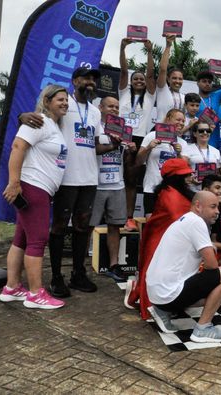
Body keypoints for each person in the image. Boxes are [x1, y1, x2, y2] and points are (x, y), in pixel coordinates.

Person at [20, 67, 117, 298]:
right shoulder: (64, 104)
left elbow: (94, 144)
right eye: (86, 78)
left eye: (94, 79)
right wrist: (21, 117)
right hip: (65, 177)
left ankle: (78, 273)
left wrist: (115, 144)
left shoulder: (94, 112)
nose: (91, 82)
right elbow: (40, 118)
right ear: (75, 81)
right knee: (60, 227)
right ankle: (55, 277)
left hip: (89, 178)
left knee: (83, 227)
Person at [0, 85, 69, 309]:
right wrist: (14, 182)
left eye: (66, 100)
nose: (65, 103)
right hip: (33, 187)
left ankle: (11, 287)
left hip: (41, 189)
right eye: (60, 99)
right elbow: (18, 146)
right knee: (38, 240)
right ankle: (35, 294)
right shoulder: (39, 121)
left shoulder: (54, 126)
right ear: (47, 101)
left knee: (21, 239)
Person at [146, 191, 221, 342]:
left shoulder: (186, 219)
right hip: (168, 294)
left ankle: (162, 311)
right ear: (198, 206)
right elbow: (212, 266)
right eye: (213, 207)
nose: (217, 211)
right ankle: (203, 328)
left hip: (157, 294)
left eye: (218, 207)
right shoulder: (196, 222)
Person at [125, 158, 194, 319]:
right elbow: (180, 217)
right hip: (158, 241)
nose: (190, 177)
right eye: (186, 175)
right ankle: (148, 302)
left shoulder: (178, 191)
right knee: (153, 274)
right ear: (176, 178)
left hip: (170, 240)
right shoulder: (170, 195)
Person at [90, 96, 137, 282]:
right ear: (100, 107)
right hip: (96, 184)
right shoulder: (95, 126)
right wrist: (112, 145)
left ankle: (114, 265)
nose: (114, 109)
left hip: (118, 184)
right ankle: (80, 267)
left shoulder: (124, 130)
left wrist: (131, 150)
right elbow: (92, 149)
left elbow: (126, 161)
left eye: (117, 107)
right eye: (110, 106)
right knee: (88, 226)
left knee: (114, 226)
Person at [119, 38, 156, 232]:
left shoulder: (149, 96)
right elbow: (124, 71)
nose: (139, 81)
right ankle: (122, 216)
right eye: (136, 79)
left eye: (141, 79)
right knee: (122, 179)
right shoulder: (124, 92)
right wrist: (123, 48)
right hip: (122, 138)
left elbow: (151, 75)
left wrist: (149, 51)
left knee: (136, 180)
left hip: (140, 139)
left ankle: (133, 217)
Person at [136, 108, 191, 216]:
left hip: (173, 190)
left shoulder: (183, 143)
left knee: (171, 224)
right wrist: (148, 148)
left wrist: (178, 153)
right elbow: (138, 161)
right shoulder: (152, 136)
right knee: (151, 223)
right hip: (152, 188)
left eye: (183, 121)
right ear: (168, 119)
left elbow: (185, 168)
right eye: (178, 120)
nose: (181, 123)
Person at [194, 69, 221, 149]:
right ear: (198, 83)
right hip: (199, 138)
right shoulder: (194, 98)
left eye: (209, 82)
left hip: (215, 140)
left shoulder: (216, 95)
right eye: (204, 81)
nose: (207, 84)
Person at [155, 35, 185, 122]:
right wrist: (168, 46)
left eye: (180, 79)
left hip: (177, 133)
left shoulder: (184, 97)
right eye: (174, 78)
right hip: (162, 131)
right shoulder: (162, 90)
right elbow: (163, 69)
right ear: (168, 79)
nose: (177, 81)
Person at [185, 122, 221, 192]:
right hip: (193, 190)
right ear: (195, 134)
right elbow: (183, 171)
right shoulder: (187, 149)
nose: (205, 133)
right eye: (201, 131)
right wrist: (191, 179)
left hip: (211, 192)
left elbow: (218, 173)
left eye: (208, 131)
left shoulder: (216, 151)